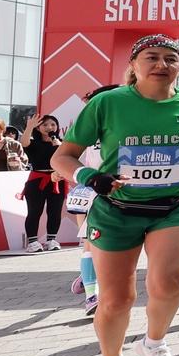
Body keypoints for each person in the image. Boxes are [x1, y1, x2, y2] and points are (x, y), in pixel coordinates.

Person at [52, 35, 179, 356]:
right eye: (152, 57)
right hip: (116, 211)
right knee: (116, 299)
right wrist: (89, 177)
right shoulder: (107, 103)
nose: (162, 64)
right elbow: (62, 156)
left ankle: (154, 344)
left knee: (170, 283)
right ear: (133, 65)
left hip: (175, 207)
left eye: (170, 58)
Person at [66, 85, 122, 317]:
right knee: (90, 243)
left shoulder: (126, 124)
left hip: (123, 192)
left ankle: (88, 275)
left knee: (108, 247)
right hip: (92, 192)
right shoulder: (85, 127)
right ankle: (92, 295)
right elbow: (67, 157)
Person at [20, 114, 67, 252]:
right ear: (38, 127)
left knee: (55, 211)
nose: (49, 127)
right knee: (35, 211)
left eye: (53, 124)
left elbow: (70, 159)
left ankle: (51, 239)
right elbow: (24, 142)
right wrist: (29, 126)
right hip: (37, 179)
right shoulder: (33, 143)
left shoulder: (61, 143)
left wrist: (60, 147)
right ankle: (32, 242)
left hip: (57, 179)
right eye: (45, 125)